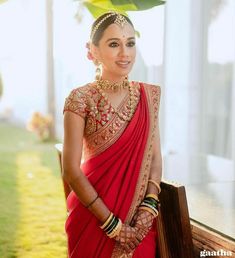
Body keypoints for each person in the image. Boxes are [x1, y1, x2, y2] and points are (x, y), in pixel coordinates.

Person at [62, 11, 162, 258]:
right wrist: (112, 225)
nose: (125, 53)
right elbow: (71, 171)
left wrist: (149, 207)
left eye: (130, 43)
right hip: (94, 220)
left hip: (139, 225)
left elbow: (155, 158)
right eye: (114, 44)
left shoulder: (147, 98)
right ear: (93, 50)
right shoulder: (80, 99)